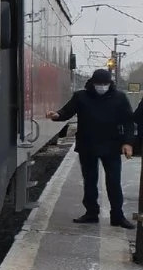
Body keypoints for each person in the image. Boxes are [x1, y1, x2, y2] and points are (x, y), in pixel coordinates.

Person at [47, 68, 135, 228]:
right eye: (99, 83)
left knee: (114, 181)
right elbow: (67, 111)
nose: (102, 86)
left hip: (112, 146)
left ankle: (117, 216)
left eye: (105, 83)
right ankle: (91, 213)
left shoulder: (119, 97)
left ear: (110, 83)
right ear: (92, 83)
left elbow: (128, 122)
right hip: (88, 145)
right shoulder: (81, 96)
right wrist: (57, 115)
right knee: (90, 181)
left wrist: (128, 143)